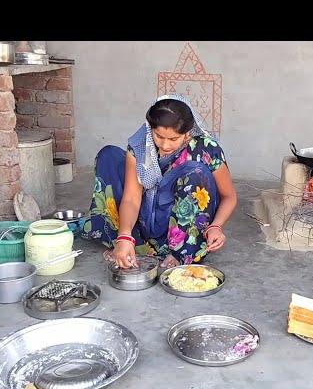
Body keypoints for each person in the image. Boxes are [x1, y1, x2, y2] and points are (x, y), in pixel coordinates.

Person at [81, 94, 237, 269]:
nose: (165, 145)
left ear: (187, 132)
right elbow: (131, 198)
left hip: (177, 222)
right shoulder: (141, 144)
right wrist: (125, 236)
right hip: (145, 215)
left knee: (194, 172)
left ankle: (180, 252)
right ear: (150, 128)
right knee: (109, 156)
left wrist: (216, 227)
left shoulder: (206, 148)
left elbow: (229, 196)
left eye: (173, 139)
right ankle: (128, 242)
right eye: (158, 136)